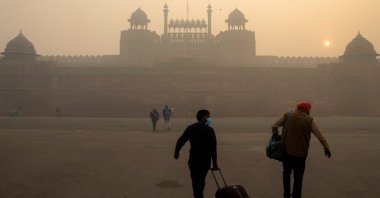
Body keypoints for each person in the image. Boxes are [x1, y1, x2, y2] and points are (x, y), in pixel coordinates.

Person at [272, 102, 332, 198]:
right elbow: (319, 135)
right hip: (300, 155)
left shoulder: (287, 115)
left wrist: (275, 135)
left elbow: (274, 125)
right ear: (307, 110)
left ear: (297, 108)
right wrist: (326, 147)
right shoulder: (309, 120)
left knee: (286, 173)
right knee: (298, 178)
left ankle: (286, 195)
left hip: (287, 152)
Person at [174, 109, 219, 198]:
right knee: (201, 181)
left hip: (194, 160)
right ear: (203, 117)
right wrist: (215, 163)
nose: (209, 118)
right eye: (208, 116)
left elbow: (181, 140)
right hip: (205, 161)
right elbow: (213, 148)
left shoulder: (191, 128)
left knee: (196, 182)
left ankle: (198, 196)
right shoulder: (210, 130)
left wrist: (177, 151)